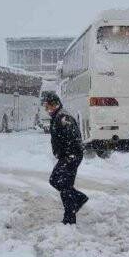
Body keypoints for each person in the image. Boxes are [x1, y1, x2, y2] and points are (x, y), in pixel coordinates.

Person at [42, 91, 88, 224]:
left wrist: (69, 155)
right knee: (58, 181)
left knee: (63, 184)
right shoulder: (57, 116)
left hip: (71, 156)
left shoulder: (63, 118)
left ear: (55, 104)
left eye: (48, 106)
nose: (46, 109)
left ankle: (69, 218)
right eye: (45, 107)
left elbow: (73, 138)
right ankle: (78, 200)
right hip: (67, 156)